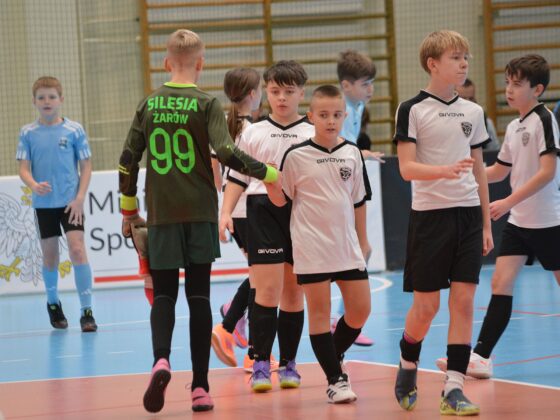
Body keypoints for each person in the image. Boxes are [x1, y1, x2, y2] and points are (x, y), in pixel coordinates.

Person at [118, 29, 279, 413]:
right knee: (199, 297)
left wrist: (129, 210)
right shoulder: (206, 104)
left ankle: (161, 360)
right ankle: (201, 388)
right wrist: (269, 173)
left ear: (166, 63)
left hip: (162, 214)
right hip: (200, 213)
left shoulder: (148, 104)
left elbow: (127, 160)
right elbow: (226, 151)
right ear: (201, 64)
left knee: (164, 295)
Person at [436, 54, 560, 379]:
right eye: (507, 83)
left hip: (550, 222)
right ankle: (480, 357)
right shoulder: (515, 126)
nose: (509, 89)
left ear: (537, 89)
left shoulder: (544, 120)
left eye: (517, 84)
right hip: (520, 223)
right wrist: (461, 173)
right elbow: (498, 171)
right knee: (500, 283)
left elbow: (547, 172)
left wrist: (507, 202)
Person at [392, 30, 493, 416]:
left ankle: (454, 388)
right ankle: (408, 362)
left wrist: (485, 223)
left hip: (467, 215)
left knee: (464, 302)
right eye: (455, 57)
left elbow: (479, 169)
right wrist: (444, 171)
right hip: (430, 218)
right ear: (433, 64)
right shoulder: (412, 109)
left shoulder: (473, 112)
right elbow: (406, 169)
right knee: (427, 307)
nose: (464, 63)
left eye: (465, 56)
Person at [265, 85, 372, 403]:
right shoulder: (296, 156)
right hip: (311, 249)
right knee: (320, 315)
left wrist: (363, 241)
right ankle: (335, 379)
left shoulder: (352, 152)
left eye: (337, 115)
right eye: (323, 115)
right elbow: (281, 200)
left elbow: (359, 201)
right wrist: (269, 182)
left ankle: (332, 355)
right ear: (311, 116)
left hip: (346, 247)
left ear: (345, 116)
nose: (331, 120)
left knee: (360, 311)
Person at [220, 60, 314, 392]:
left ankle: (289, 363)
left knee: (294, 292)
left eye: (289, 91)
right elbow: (237, 177)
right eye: (275, 91)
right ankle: (260, 362)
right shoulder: (253, 132)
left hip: (301, 213)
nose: (282, 98)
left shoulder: (312, 133)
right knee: (267, 290)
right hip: (261, 211)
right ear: (266, 93)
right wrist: (225, 212)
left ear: (302, 93)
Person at [16, 76, 97, 333]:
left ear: (61, 99)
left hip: (71, 203)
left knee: (77, 250)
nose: (47, 101)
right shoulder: (28, 133)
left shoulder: (74, 130)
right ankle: (53, 303)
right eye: (41, 97)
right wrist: (32, 184)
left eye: (52, 96)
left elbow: (86, 166)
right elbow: (23, 168)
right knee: (50, 256)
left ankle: (86, 311)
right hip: (43, 205)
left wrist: (79, 198)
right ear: (34, 102)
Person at [211, 67, 277, 372]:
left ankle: (232, 323)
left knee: (259, 275)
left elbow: (214, 165)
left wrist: (225, 198)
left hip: (234, 207)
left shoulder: (222, 126)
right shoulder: (253, 129)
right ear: (253, 94)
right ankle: (238, 335)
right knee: (265, 278)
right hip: (251, 207)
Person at [335, 50, 380, 346]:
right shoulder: (340, 108)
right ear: (346, 85)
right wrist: (362, 153)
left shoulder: (359, 105)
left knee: (362, 251)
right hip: (333, 187)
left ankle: (344, 319)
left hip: (348, 184)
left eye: (371, 83)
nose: (370, 89)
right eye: (365, 84)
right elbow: (336, 144)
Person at [456, 78, 501, 150]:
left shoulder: (486, 122)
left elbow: (494, 151)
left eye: (471, 98)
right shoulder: (446, 122)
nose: (468, 103)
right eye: (463, 99)